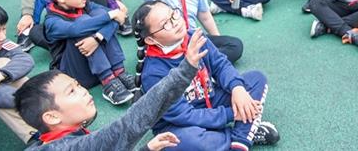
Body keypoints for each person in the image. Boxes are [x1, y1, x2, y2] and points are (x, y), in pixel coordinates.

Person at [14, 27, 211, 150]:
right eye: (71, 91)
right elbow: (129, 125)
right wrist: (186, 69)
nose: (83, 90)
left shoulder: (66, 138)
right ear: (52, 117)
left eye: (77, 85)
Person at [133, 0, 280, 150]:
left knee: (256, 79)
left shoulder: (194, 37)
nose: (175, 22)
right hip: (180, 125)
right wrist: (232, 114)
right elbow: (186, 116)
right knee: (188, 141)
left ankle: (239, 141)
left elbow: (220, 65)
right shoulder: (153, 74)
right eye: (166, 24)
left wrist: (237, 88)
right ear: (150, 39)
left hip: (211, 99)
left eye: (174, 14)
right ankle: (245, 132)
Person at [43, 0, 133, 105]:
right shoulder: (51, 21)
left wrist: (98, 37)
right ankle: (108, 82)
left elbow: (118, 18)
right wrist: (111, 15)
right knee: (83, 22)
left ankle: (119, 72)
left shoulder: (86, 5)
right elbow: (76, 29)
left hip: (96, 66)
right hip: (75, 74)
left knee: (98, 14)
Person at [0, 0, 36, 144]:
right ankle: (40, 125)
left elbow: (25, 59)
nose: (3, 36)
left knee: (4, 65)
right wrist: (32, 101)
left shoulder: (2, 44)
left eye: (4, 29)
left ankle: (43, 129)